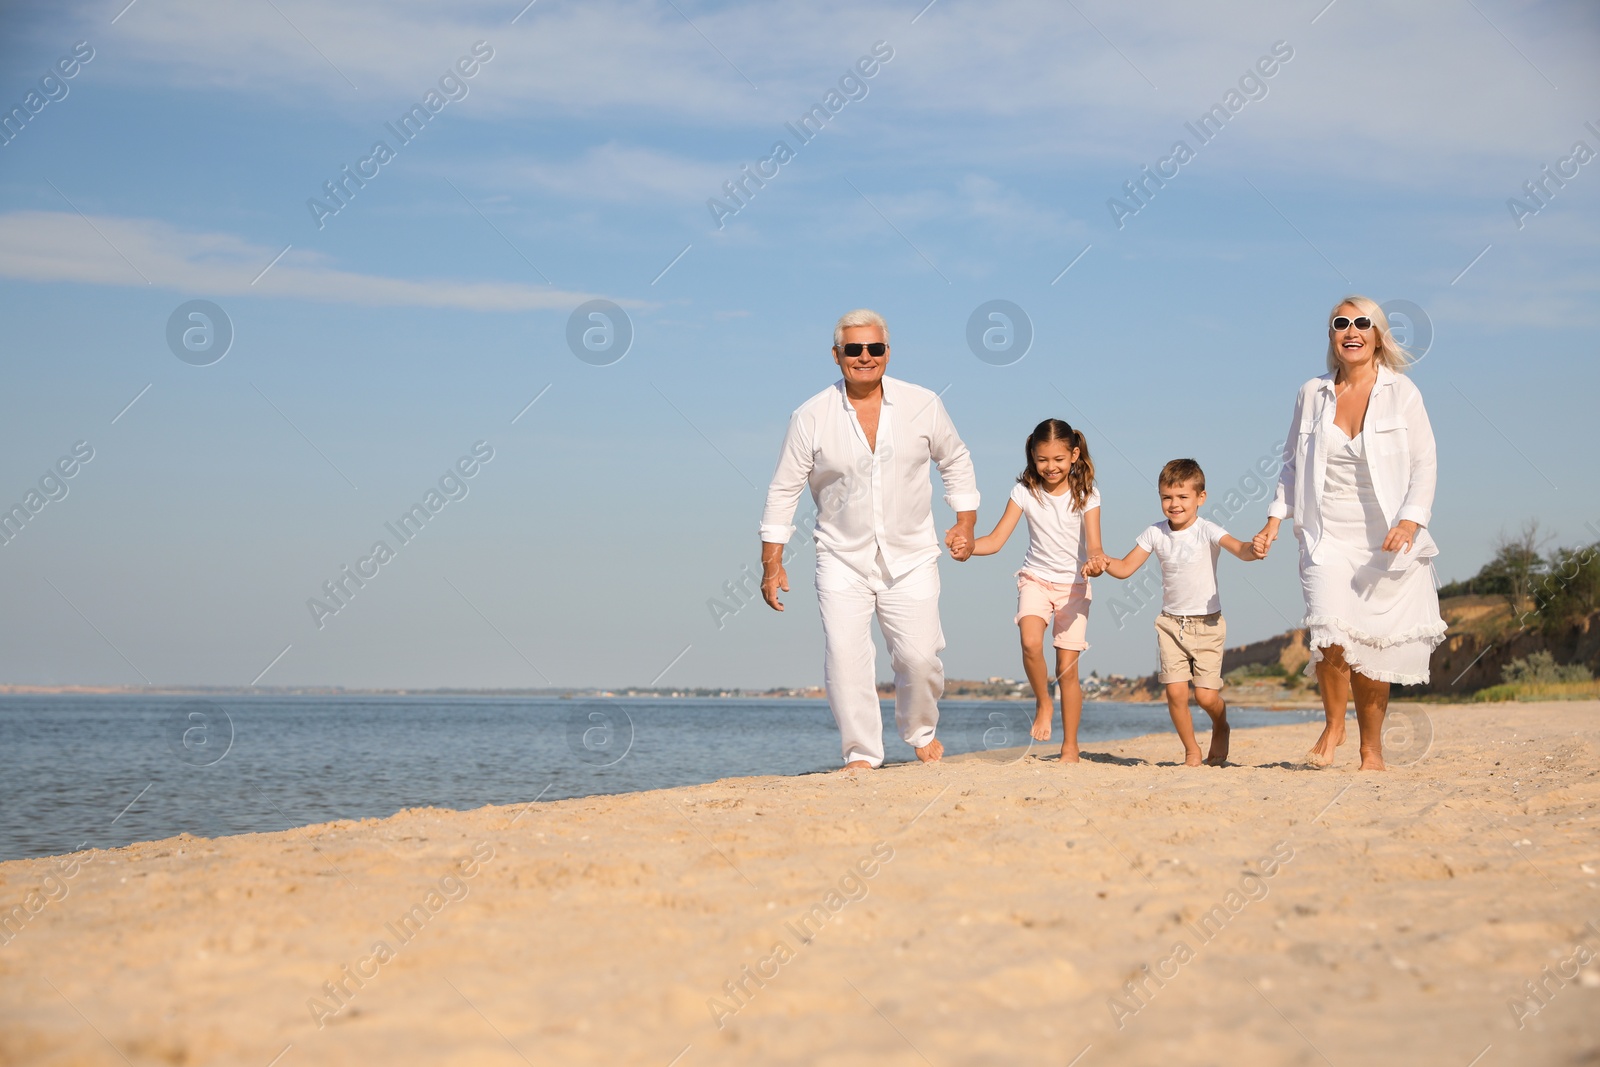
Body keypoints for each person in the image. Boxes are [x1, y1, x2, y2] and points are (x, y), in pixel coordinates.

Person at [759, 309, 978, 770]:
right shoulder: (810, 416)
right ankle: (861, 753)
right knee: (845, 655)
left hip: (912, 554)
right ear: (836, 355)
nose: (864, 357)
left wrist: (965, 521)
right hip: (840, 556)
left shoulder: (924, 403)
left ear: (887, 353)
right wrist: (771, 562)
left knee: (919, 658)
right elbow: (784, 489)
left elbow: (955, 460)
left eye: (874, 348)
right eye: (853, 349)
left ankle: (920, 730)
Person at [1251, 296, 1446, 771]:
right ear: (1332, 335)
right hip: (1324, 534)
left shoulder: (1403, 393)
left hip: (1386, 538)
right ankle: (1335, 724)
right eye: (1342, 323)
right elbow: (1292, 463)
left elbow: (1425, 463)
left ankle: (1370, 750)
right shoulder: (1311, 392)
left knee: (1375, 644)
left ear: (1378, 335)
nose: (1352, 330)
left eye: (1363, 323)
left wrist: (1410, 520)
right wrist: (1276, 517)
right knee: (1331, 631)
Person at [1086, 459, 1262, 766]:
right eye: (1167, 497)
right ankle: (1192, 750)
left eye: (1182, 497)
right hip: (1170, 625)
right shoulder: (1155, 533)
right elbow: (1126, 567)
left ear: (1200, 498)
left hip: (1208, 625)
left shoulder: (1207, 530)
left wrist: (1254, 549)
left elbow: (1239, 548)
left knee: (1206, 697)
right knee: (1176, 694)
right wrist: (1103, 561)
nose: (1174, 504)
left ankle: (1221, 724)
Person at [963, 419, 1102, 762]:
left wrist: (1096, 561)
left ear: (1074, 454)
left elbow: (1095, 546)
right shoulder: (1024, 492)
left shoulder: (1087, 493)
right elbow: (995, 541)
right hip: (1035, 579)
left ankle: (1070, 745)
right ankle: (1043, 700)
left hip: (1074, 585)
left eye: (1058, 459)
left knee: (1067, 670)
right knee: (1029, 642)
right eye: (1042, 460)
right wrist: (967, 546)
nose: (1050, 467)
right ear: (1032, 456)